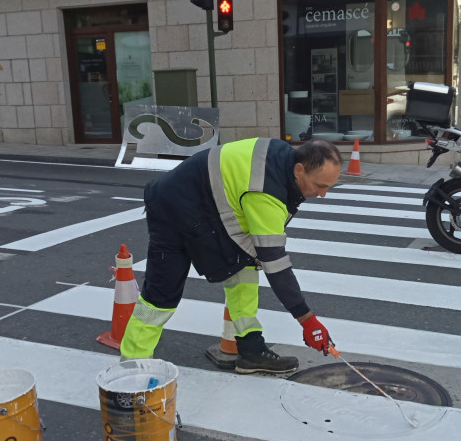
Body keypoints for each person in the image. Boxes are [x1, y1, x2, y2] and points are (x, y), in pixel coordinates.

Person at [119, 138, 342, 373]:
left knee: (245, 263)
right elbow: (276, 265)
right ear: (299, 170)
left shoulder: (284, 161)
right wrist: (307, 319)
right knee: (161, 295)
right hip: (172, 206)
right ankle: (132, 372)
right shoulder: (266, 192)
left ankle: (251, 350)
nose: (323, 194)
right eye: (320, 185)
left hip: (206, 204)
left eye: (328, 186)